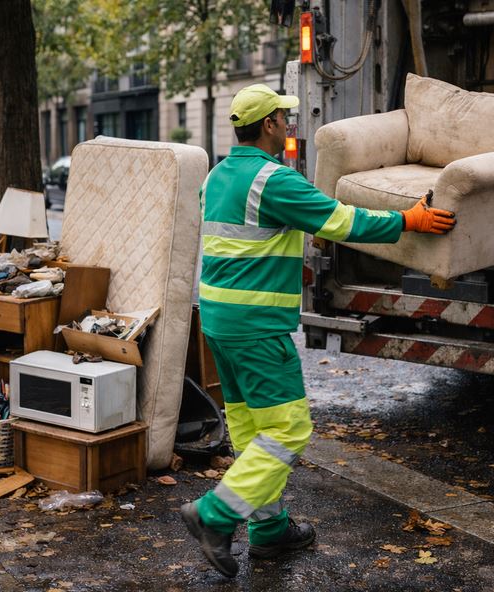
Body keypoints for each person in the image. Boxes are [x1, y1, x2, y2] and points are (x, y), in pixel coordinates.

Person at [180, 83, 456, 578]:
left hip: (219, 319)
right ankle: (214, 515)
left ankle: (268, 532)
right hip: (257, 325)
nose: (289, 125)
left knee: (251, 431)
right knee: (288, 429)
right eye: (283, 118)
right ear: (268, 126)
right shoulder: (273, 181)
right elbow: (342, 221)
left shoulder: (216, 176)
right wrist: (408, 219)